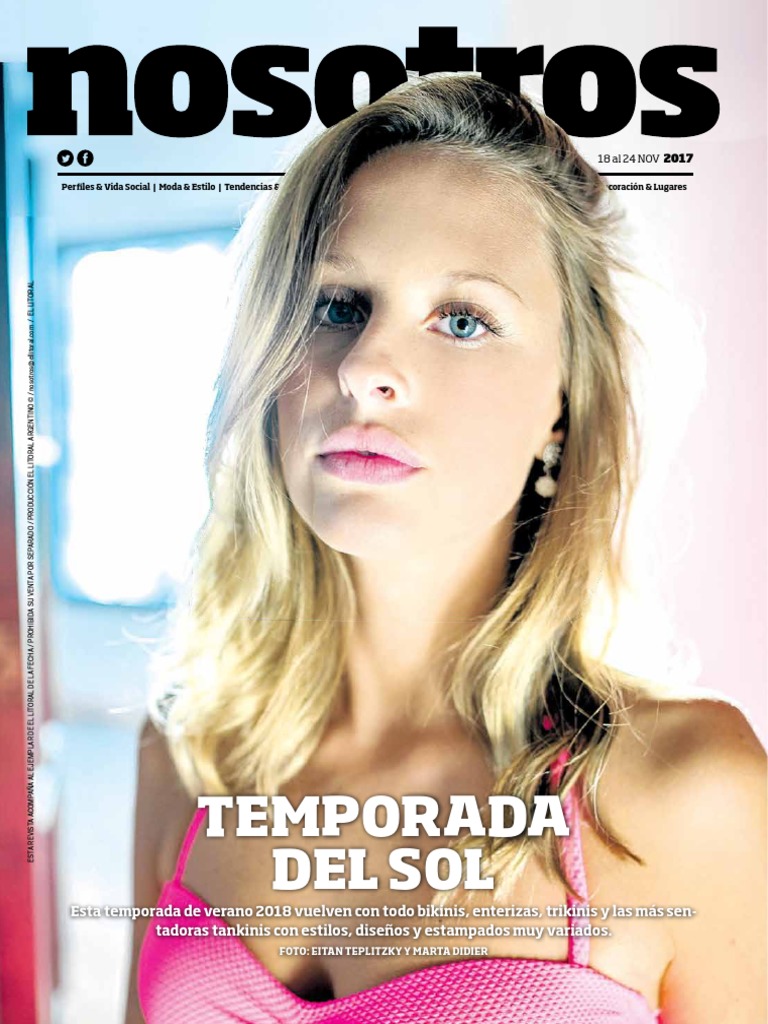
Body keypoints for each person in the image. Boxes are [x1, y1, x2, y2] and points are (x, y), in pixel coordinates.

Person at [123, 75, 766, 1024]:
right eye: (336, 305)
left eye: (463, 319)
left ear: (563, 403)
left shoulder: (689, 790)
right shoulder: (188, 753)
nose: (365, 369)